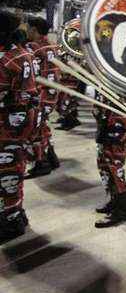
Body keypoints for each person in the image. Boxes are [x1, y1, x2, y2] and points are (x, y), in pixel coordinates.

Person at [0, 10, 37, 243]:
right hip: (20, 123)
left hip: (7, 125)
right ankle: (16, 214)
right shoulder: (23, 53)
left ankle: (11, 221)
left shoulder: (6, 60)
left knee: (7, 174)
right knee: (13, 169)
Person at [23, 16, 62, 178]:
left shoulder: (34, 47)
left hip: (40, 94)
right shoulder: (51, 45)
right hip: (52, 93)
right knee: (42, 126)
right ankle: (51, 158)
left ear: (34, 30)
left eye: (28, 28)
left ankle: (41, 163)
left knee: (33, 131)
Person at [92, 92, 126, 228]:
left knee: (114, 167)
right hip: (106, 116)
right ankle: (115, 200)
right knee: (104, 165)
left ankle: (124, 208)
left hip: (118, 120)